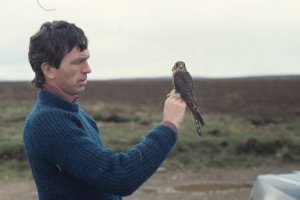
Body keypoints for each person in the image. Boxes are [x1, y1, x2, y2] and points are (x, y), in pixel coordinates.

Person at [23, 20, 186, 200]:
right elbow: (117, 176)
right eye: (78, 62)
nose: (88, 69)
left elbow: (102, 185)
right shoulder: (46, 122)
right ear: (49, 70)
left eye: (86, 60)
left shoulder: (76, 115)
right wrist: (168, 126)